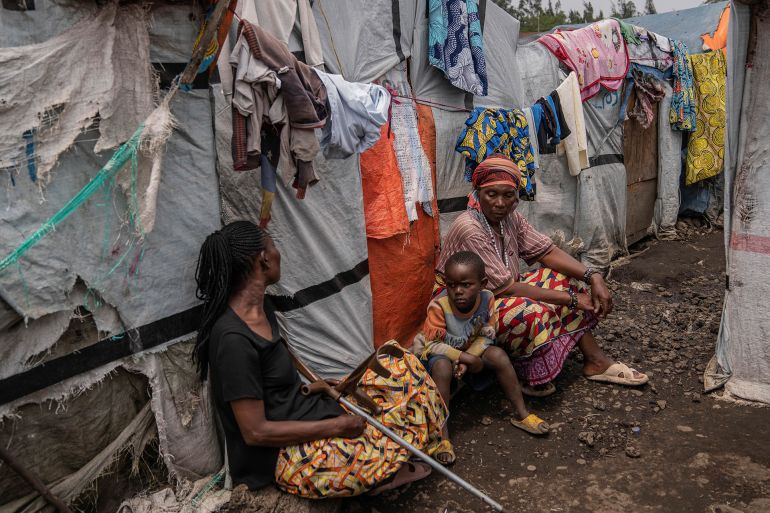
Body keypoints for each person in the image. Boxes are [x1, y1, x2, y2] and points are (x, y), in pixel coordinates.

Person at [193, 221, 447, 498]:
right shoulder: (233, 340)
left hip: (307, 412)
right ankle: (384, 473)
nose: (279, 253)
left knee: (403, 366)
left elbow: (273, 385)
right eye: (274, 247)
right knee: (364, 447)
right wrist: (336, 426)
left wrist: (316, 386)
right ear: (263, 259)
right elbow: (256, 432)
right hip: (279, 454)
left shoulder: (262, 308)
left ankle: (395, 458)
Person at [437, 154, 648, 397]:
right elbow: (506, 289)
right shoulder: (470, 228)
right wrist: (571, 299)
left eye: (508, 195)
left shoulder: (510, 219)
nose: (499, 203)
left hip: (495, 297)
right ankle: (530, 373)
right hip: (462, 313)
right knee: (533, 311)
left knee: (561, 279)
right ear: (478, 192)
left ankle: (595, 360)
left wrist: (594, 277)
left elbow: (546, 251)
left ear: (517, 197)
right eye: (491, 194)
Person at [413, 251, 549, 464]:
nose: (458, 291)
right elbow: (432, 345)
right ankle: (441, 437)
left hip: (470, 352)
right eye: (451, 285)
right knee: (442, 368)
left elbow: (488, 334)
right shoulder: (439, 306)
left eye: (466, 285)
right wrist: (464, 358)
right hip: (440, 356)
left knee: (498, 355)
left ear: (482, 283)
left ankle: (521, 414)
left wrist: (471, 358)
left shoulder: (487, 298)